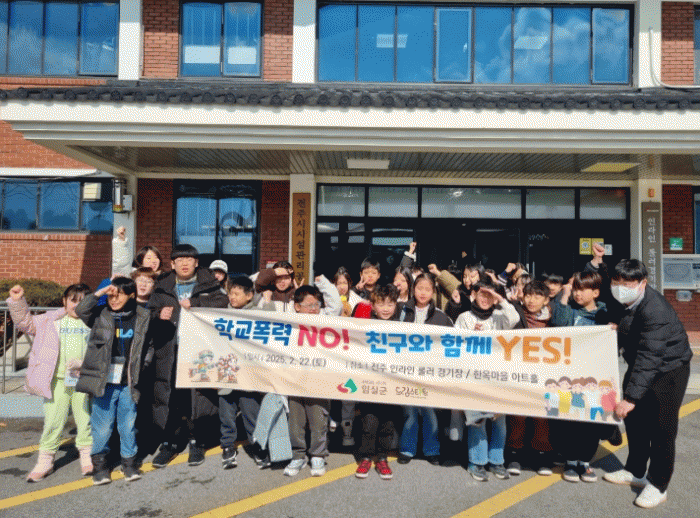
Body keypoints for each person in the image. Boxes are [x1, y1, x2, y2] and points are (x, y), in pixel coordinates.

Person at [601, 259, 692, 509]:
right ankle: (635, 471)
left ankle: (658, 485)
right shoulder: (623, 299)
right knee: (636, 423)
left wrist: (631, 398)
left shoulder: (655, 309)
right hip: (641, 364)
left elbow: (650, 356)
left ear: (643, 283)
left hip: (669, 369)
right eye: (617, 282)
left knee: (662, 429)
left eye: (628, 284)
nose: (621, 288)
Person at [149, 244, 229, 468]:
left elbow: (223, 303)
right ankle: (170, 443)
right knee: (171, 399)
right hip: (170, 351)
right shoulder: (163, 285)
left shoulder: (209, 283)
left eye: (189, 259)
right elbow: (148, 312)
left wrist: (196, 302)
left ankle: (198, 441)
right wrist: (158, 314)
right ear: (172, 264)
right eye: (180, 259)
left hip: (198, 353)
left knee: (199, 397)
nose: (184, 263)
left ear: (196, 263)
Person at [7, 283, 93, 482]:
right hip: (56, 381)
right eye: (73, 300)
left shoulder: (93, 322)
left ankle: (87, 455)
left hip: (84, 380)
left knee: (85, 419)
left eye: (82, 301)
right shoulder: (50, 319)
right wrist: (17, 301)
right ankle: (45, 461)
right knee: (54, 421)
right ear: (64, 301)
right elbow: (25, 323)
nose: (77, 305)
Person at [74, 278, 153, 485]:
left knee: (128, 424)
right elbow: (80, 310)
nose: (114, 299)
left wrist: (143, 365)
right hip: (104, 381)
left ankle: (129, 463)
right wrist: (100, 293)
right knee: (102, 426)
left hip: (129, 381)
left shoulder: (142, 315)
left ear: (131, 295)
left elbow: (149, 344)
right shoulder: (100, 315)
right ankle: (100, 466)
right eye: (111, 295)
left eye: (119, 294)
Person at [454, 279, 520, 481]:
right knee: (478, 420)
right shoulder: (464, 317)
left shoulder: (500, 317)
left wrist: (501, 299)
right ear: (474, 295)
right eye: (482, 294)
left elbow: (515, 318)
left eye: (490, 296)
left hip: (498, 377)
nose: (485, 299)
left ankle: (497, 461)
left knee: (499, 421)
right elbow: (455, 344)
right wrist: (470, 337)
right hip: (473, 377)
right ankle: (477, 462)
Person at [550, 270, 609, 483]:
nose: (578, 293)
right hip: (569, 376)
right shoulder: (570, 311)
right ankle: (570, 460)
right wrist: (564, 296)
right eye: (576, 289)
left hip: (594, 377)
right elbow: (558, 325)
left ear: (596, 292)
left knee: (590, 421)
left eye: (583, 289)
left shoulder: (604, 314)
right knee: (569, 419)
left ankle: (585, 461)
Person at [284, 280, 341, 477]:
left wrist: (323, 282)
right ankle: (298, 455)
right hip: (294, 380)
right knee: (295, 421)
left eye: (316, 304)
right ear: (297, 307)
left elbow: (336, 305)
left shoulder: (324, 320)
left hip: (319, 380)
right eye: (308, 305)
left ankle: (318, 455)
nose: (313, 309)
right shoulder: (289, 322)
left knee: (318, 420)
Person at [397, 273, 453, 465]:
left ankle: (432, 450)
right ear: (413, 289)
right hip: (406, 370)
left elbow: (452, 342)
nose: (423, 293)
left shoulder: (441, 316)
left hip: (430, 372)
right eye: (419, 288)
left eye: (427, 289)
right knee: (410, 412)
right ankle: (407, 449)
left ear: (433, 292)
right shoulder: (402, 311)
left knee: (430, 411)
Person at [218, 276, 270, 469]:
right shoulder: (219, 315)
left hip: (249, 375)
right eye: (230, 293)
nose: (232, 297)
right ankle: (227, 447)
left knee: (251, 414)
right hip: (227, 373)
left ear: (249, 296)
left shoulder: (257, 314)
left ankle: (257, 446)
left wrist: (268, 302)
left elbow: (273, 323)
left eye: (237, 294)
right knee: (227, 414)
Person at [506, 280, 556, 476]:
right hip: (519, 374)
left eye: (537, 296)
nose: (532, 300)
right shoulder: (516, 315)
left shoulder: (554, 318)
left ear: (546, 300)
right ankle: (514, 455)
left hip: (545, 376)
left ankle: (542, 456)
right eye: (528, 295)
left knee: (542, 417)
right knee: (517, 416)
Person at [353, 284, 401, 480]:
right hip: (370, 383)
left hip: (392, 384)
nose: (386, 308)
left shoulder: (403, 327)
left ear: (396, 305)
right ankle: (365, 457)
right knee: (369, 423)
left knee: (388, 424)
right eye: (381, 304)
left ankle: (382, 457)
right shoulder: (365, 326)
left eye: (390, 304)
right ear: (373, 306)